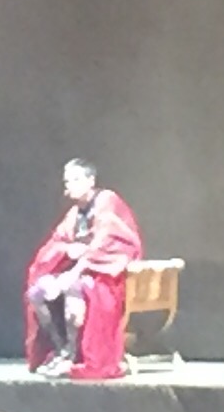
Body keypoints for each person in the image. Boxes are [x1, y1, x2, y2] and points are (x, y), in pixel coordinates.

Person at [22, 159, 143, 382]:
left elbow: (108, 241)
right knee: (38, 291)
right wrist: (68, 250)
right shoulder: (75, 213)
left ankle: (74, 355)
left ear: (90, 181)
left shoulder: (107, 201)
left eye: (76, 179)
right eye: (67, 181)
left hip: (105, 276)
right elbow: (57, 242)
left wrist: (76, 271)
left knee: (73, 288)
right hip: (79, 271)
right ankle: (61, 349)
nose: (70, 185)